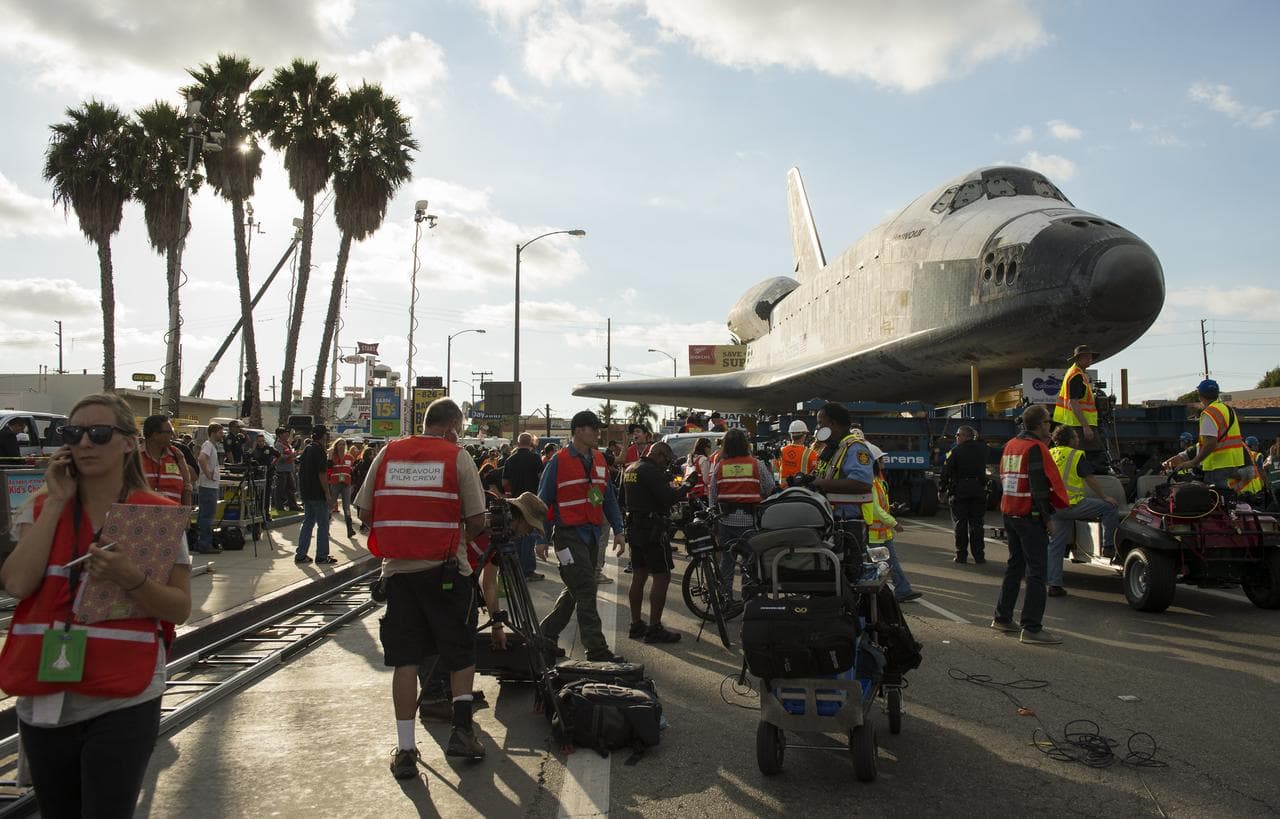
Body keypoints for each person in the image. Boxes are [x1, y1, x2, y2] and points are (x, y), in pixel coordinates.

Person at [0, 392, 192, 818]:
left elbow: (179, 609)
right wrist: (55, 502)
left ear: (128, 443)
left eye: (100, 433)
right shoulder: (41, 508)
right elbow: (17, 583)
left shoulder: (154, 515)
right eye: (73, 433)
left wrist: (131, 578)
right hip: (46, 691)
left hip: (123, 692)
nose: (84, 442)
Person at [354, 398, 488, 776]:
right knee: (460, 654)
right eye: (458, 429)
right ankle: (462, 733)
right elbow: (477, 519)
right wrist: (457, 534)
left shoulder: (388, 453)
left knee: (406, 661)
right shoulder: (456, 457)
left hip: (398, 575)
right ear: (451, 427)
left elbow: (364, 511)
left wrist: (403, 528)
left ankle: (405, 750)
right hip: (446, 572)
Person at [417, 492, 548, 721]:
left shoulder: (498, 541)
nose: (528, 533)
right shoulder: (478, 525)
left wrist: (497, 625)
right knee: (438, 635)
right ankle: (433, 697)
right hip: (439, 574)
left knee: (464, 630)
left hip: (460, 582)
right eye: (529, 527)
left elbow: (489, 584)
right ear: (517, 518)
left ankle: (454, 691)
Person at [536, 410, 627, 663]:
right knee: (586, 586)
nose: (598, 433)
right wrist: (540, 538)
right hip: (568, 536)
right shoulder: (558, 461)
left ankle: (546, 634)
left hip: (592, 535)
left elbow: (608, 498)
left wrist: (619, 530)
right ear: (578, 431)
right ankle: (596, 649)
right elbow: (542, 503)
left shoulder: (599, 459)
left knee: (577, 588)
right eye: (593, 429)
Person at [992, 404, 1069, 645]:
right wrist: (1048, 519)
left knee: (1015, 566)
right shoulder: (1035, 448)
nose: (1050, 426)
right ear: (1039, 424)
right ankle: (1032, 627)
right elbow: (1039, 487)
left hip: (1011, 511)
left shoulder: (1011, 445)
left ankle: (1002, 617)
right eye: (1047, 422)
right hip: (1029, 514)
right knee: (1037, 572)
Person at [622, 441, 689, 644]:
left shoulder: (631, 468)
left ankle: (635, 624)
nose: (666, 465)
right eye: (666, 461)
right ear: (659, 454)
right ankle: (654, 628)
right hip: (652, 529)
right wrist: (686, 486)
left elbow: (621, 498)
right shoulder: (650, 471)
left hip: (634, 528)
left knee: (639, 575)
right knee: (662, 576)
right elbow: (668, 498)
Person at [1046, 426, 1121, 596]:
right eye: (1075, 437)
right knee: (1109, 508)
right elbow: (1090, 478)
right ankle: (1109, 546)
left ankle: (1054, 585)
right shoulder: (1076, 455)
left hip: (1054, 506)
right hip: (1072, 504)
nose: (1078, 439)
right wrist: (1104, 496)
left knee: (1056, 547)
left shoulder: (1050, 453)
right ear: (1070, 440)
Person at [709, 428, 775, 605]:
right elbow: (770, 488)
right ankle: (749, 600)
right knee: (749, 562)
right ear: (745, 445)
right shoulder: (756, 464)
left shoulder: (720, 466)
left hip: (725, 520)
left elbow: (713, 494)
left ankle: (725, 598)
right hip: (749, 521)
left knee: (727, 562)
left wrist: (714, 516)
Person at [1161, 379, 1245, 489]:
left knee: (1214, 495)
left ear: (1200, 396)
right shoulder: (1228, 409)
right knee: (1224, 495)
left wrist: (1194, 462)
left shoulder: (1209, 413)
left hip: (1217, 463)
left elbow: (1210, 443)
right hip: (1232, 461)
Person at [864, 447, 922, 602]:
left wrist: (892, 510)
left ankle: (903, 590)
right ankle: (876, 597)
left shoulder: (878, 482)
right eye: (881, 459)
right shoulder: (872, 483)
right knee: (879, 566)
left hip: (882, 534)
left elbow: (880, 507)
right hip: (874, 536)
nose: (884, 461)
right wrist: (894, 523)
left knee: (892, 563)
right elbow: (875, 510)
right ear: (875, 463)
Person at [810, 403, 875, 541]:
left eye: (820, 423)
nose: (818, 428)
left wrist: (820, 483)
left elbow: (862, 483)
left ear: (833, 424)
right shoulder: (835, 448)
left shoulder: (855, 448)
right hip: (832, 520)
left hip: (849, 524)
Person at [939, 425, 988, 564]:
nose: (956, 437)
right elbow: (986, 447)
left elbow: (946, 471)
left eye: (958, 435)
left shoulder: (955, 451)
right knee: (977, 524)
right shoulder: (982, 450)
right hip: (978, 489)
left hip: (960, 490)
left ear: (965, 436)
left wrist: (941, 489)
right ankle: (979, 556)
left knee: (960, 523)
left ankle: (961, 555)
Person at [501, 432, 545, 581]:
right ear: (530, 443)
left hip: (515, 502)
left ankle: (515, 569)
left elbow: (504, 482)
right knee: (529, 536)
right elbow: (541, 478)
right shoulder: (535, 458)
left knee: (516, 535)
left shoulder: (510, 459)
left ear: (518, 443)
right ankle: (528, 570)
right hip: (531, 501)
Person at [296, 426, 336, 565]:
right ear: (323, 436)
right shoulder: (319, 450)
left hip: (307, 493)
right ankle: (322, 555)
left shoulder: (308, 449)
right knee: (323, 525)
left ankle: (301, 554)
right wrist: (327, 493)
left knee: (307, 523)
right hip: (318, 494)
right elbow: (322, 473)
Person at [1054, 344, 1100, 451]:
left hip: (1075, 423)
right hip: (1079, 425)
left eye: (1090, 357)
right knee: (1090, 453)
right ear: (1078, 358)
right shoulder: (1076, 375)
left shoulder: (1074, 372)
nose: (1090, 359)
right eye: (1086, 357)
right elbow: (1073, 402)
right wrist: (1086, 427)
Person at [141, 415, 194, 506]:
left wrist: (187, 512)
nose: (173, 435)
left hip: (173, 514)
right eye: (169, 432)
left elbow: (186, 488)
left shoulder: (177, 455)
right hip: (142, 514)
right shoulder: (134, 457)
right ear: (155, 435)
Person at [196, 423, 225, 555]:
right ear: (213, 433)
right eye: (220, 432)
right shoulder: (208, 445)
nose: (222, 435)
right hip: (207, 486)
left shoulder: (212, 446)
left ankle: (203, 542)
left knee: (207, 514)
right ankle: (204, 543)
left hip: (210, 485)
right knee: (207, 515)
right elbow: (202, 458)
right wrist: (208, 474)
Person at [327, 436, 357, 538]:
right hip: (335, 484)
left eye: (344, 444)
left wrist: (352, 484)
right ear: (336, 446)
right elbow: (328, 469)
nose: (342, 446)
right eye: (340, 444)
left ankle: (350, 529)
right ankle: (326, 528)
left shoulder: (349, 457)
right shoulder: (332, 456)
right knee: (331, 505)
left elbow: (352, 471)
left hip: (346, 484)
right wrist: (330, 457)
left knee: (346, 507)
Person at [777, 419, 819, 484]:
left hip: (783, 489)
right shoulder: (811, 454)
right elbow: (815, 472)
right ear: (804, 435)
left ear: (791, 435)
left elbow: (776, 467)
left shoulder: (781, 450)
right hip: (801, 489)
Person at [272, 427, 299, 511]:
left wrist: (294, 455)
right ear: (280, 435)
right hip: (281, 470)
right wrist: (291, 455)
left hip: (288, 469)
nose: (287, 434)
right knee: (280, 489)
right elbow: (279, 457)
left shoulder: (287, 444)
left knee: (291, 488)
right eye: (285, 433)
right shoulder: (278, 445)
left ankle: (293, 505)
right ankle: (279, 506)